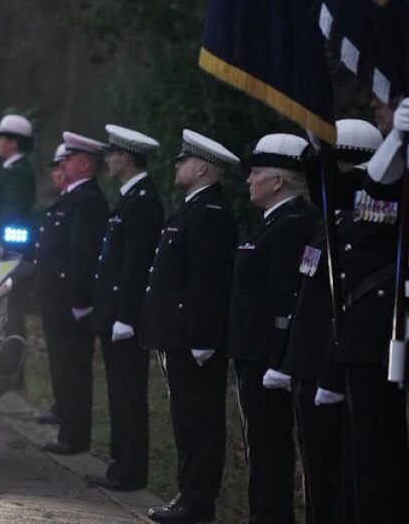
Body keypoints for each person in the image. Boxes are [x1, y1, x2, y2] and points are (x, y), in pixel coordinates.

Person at [278, 119, 382, 524]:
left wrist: (328, 372)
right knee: (316, 469)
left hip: (331, 365)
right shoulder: (333, 224)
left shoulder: (358, 228)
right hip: (309, 365)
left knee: (336, 472)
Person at [142, 130, 239, 523]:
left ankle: (197, 502)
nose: (176, 165)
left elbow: (207, 282)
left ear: (202, 169)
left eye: (182, 161)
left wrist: (203, 338)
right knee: (186, 419)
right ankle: (188, 494)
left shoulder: (210, 213)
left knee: (200, 422)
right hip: (178, 336)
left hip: (192, 338)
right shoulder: (193, 208)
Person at [227, 133, 319, 524]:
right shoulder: (274, 222)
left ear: (278, 181)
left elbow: (288, 300)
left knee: (270, 445)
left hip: (268, 355)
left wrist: (281, 361)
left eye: (256, 173)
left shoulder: (292, 224)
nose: (249, 180)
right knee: (260, 443)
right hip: (254, 350)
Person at [336, 97, 409, 523]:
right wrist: (398, 136)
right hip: (372, 330)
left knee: (385, 451)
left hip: (387, 324)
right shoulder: (380, 170)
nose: (376, 107)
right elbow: (375, 184)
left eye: (387, 101)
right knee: (369, 451)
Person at [85, 125, 163, 491]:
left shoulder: (143, 201)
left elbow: (136, 264)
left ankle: (129, 470)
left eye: (111, 155)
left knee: (128, 394)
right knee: (119, 393)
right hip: (114, 313)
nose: (107, 161)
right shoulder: (130, 197)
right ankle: (120, 465)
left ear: (126, 158)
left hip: (124, 317)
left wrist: (126, 317)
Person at [32, 131, 108, 440]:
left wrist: (80, 302)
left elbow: (83, 255)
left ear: (85, 165)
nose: (63, 164)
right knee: (61, 363)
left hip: (68, 300)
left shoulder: (88, 201)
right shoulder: (74, 197)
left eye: (69, 159)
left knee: (73, 367)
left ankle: (73, 434)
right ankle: (65, 417)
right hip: (56, 297)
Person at [0, 114, 36, 338]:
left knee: (11, 306)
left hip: (8, 248)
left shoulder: (19, 173)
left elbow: (12, 212)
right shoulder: (10, 170)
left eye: (1, 138)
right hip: (3, 245)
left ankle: (12, 349)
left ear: (14, 143)